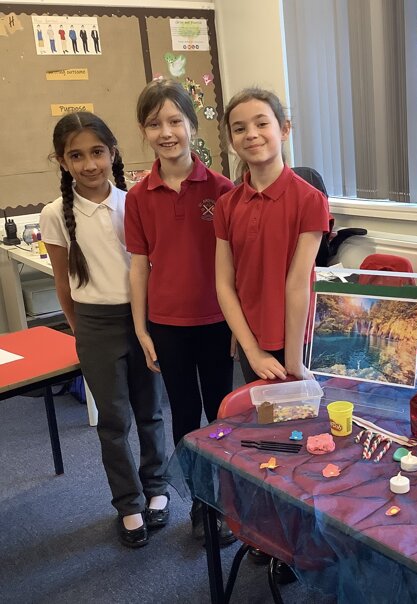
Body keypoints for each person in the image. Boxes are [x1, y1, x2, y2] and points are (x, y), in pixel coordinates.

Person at [40, 112, 168, 549]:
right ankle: (128, 503)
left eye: (97, 152)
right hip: (94, 323)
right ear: (62, 161)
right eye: (76, 156)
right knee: (113, 421)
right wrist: (80, 330)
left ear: (113, 153)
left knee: (151, 410)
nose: (89, 164)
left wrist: (149, 323)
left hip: (141, 319)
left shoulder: (134, 203)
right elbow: (62, 282)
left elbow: (149, 268)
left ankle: (157, 489)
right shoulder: (55, 214)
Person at [124, 79, 236, 545]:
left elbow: (237, 266)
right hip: (167, 326)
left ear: (192, 125)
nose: (166, 132)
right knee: (185, 418)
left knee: (222, 415)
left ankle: (226, 502)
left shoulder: (222, 189)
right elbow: (139, 268)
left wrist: (240, 326)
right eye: (155, 124)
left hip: (216, 323)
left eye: (175, 121)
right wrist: (141, 330)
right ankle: (200, 505)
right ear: (144, 131)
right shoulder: (137, 197)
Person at [215, 87, 330, 385]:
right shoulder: (226, 205)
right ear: (232, 140)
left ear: (284, 129)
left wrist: (293, 360)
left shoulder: (310, 199)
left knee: (300, 413)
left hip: (297, 340)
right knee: (261, 412)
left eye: (262, 123)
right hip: (251, 340)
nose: (251, 134)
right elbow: (224, 283)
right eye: (239, 128)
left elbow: (298, 283)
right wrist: (252, 350)